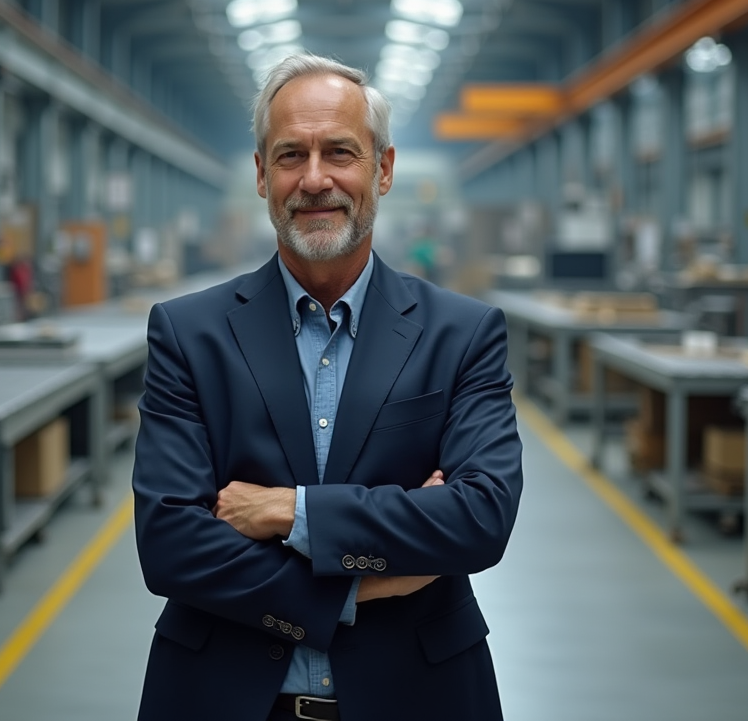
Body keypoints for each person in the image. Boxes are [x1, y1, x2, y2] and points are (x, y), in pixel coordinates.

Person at [132, 52, 523, 721]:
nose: (315, 179)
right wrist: (355, 591)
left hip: (417, 697)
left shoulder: (462, 334)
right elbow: (170, 543)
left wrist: (293, 512)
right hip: (224, 697)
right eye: (290, 156)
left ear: (384, 169)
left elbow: (479, 518)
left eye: (340, 152)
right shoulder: (188, 334)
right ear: (261, 175)